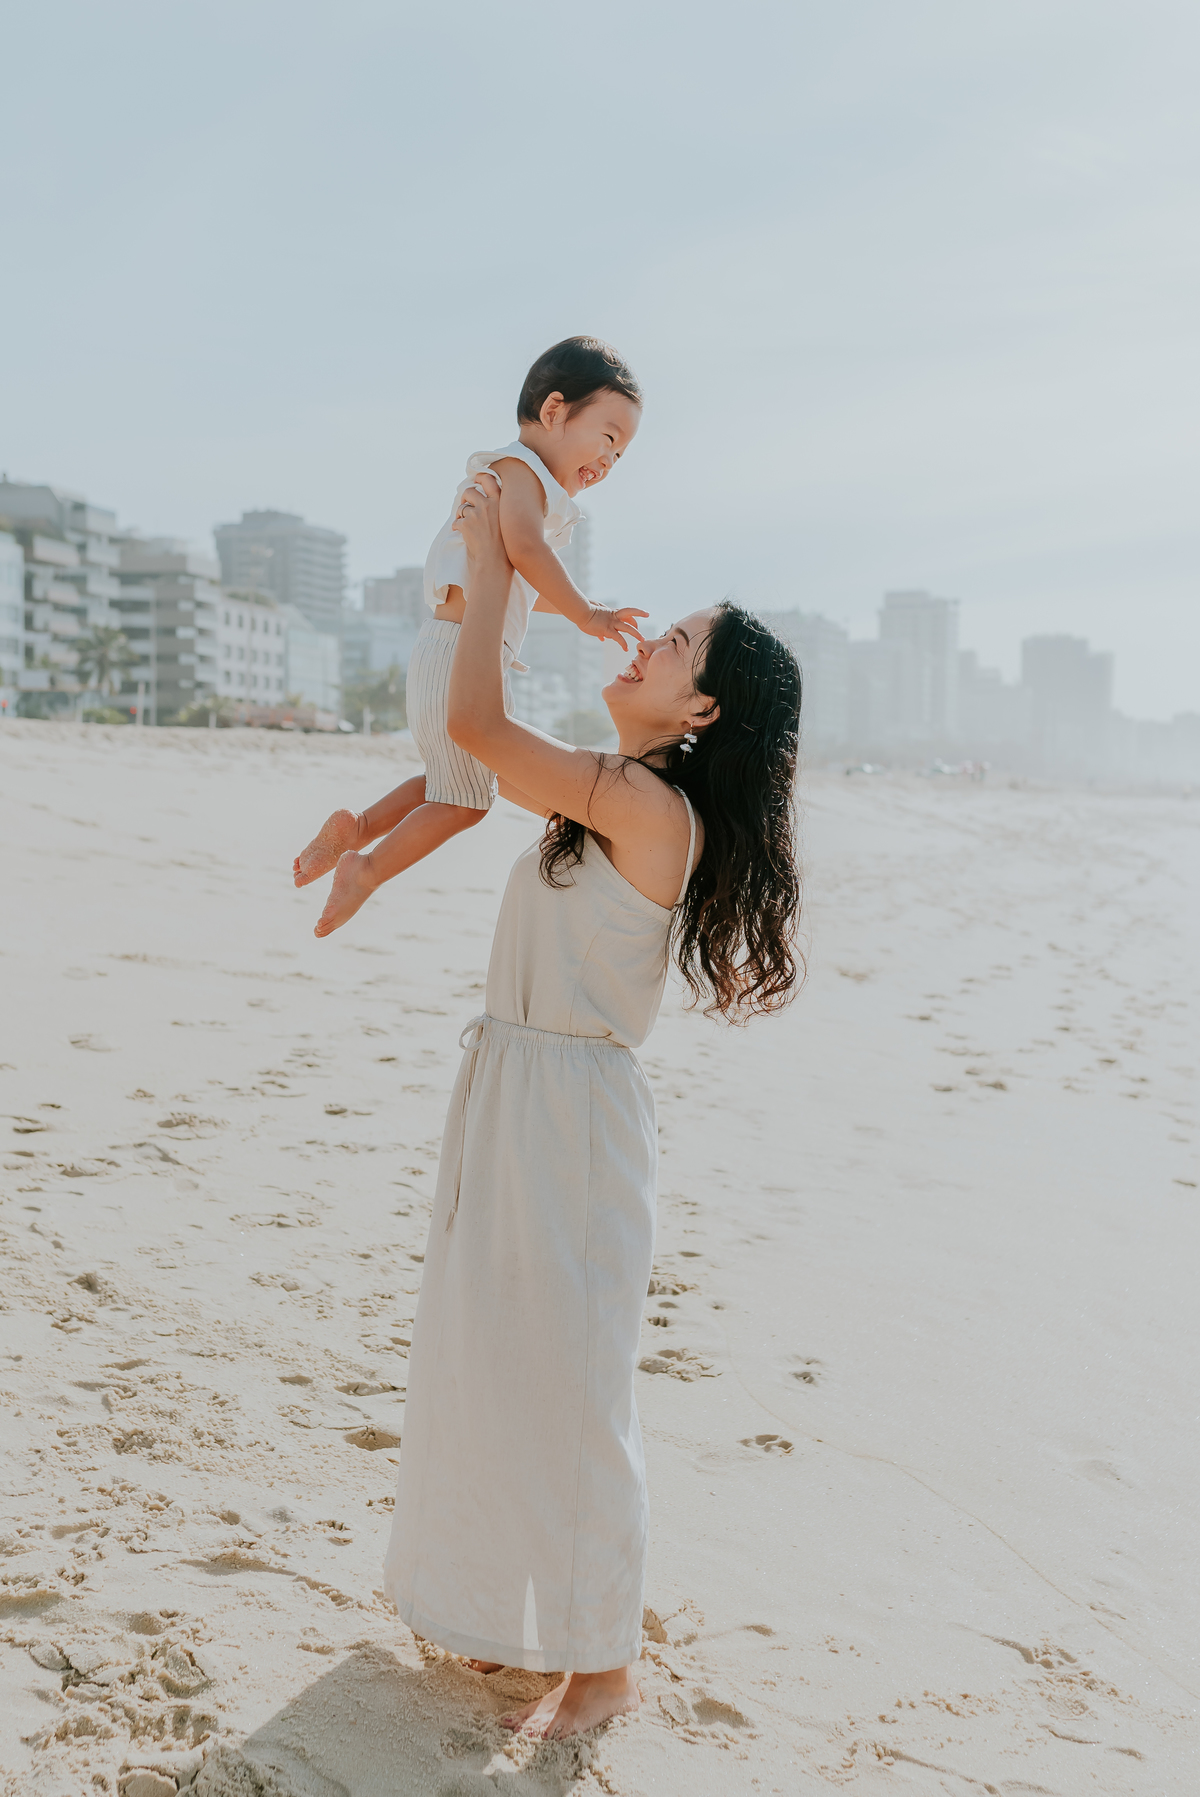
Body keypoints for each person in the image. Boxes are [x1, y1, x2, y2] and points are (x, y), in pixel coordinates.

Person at [374, 471, 804, 1738]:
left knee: (570, 1392)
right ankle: (510, 1622)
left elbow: (477, 727)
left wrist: (498, 554)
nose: (647, 638)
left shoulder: (644, 805)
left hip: (568, 1121)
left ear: (702, 705)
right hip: (517, 1091)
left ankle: (604, 1660)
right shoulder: (612, 790)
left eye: (673, 643)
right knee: (490, 1362)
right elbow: (470, 760)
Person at [293, 335, 647, 936]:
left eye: (622, 455)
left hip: (447, 649)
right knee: (464, 801)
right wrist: (590, 614)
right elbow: (526, 552)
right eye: (608, 438)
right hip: (460, 655)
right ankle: (367, 869)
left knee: (445, 781)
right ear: (555, 410)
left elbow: (517, 581)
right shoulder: (521, 471)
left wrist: (571, 611)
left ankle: (357, 826)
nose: (610, 461)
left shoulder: (519, 478)